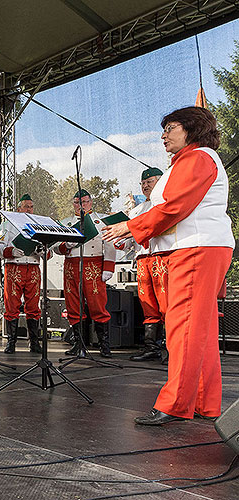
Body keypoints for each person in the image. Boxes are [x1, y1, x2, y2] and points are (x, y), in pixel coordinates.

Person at [102, 107, 233, 425]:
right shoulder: (193, 160)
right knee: (200, 329)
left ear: (191, 129)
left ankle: (175, 404)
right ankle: (204, 401)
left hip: (196, 249)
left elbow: (174, 208)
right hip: (200, 246)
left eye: (170, 128)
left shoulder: (197, 158)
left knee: (182, 327)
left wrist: (129, 227)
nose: (163, 135)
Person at [54, 189, 116, 358]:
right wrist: (66, 245)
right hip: (71, 265)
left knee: (97, 304)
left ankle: (104, 345)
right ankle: (79, 344)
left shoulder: (100, 221)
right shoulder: (65, 223)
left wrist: (108, 268)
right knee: (73, 305)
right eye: (77, 202)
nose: (81, 205)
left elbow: (109, 245)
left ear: (90, 202)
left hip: (93, 264)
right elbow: (55, 246)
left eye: (84, 201)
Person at [125, 168, 168, 362]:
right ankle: (151, 347)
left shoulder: (166, 203)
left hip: (161, 256)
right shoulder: (136, 211)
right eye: (143, 183)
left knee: (166, 302)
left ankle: (170, 348)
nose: (145, 186)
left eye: (150, 182)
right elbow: (129, 241)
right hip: (142, 258)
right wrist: (120, 241)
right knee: (147, 303)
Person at [0, 194, 44, 354]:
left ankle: (34, 342)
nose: (29, 209)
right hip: (14, 266)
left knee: (33, 306)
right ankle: (11, 342)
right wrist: (10, 251)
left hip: (33, 267)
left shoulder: (39, 224)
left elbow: (49, 249)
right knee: (12, 305)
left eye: (31, 206)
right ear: (18, 208)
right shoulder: (6, 225)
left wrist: (42, 250)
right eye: (26, 206)